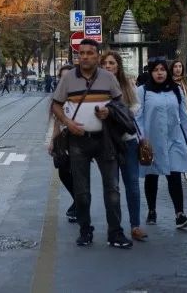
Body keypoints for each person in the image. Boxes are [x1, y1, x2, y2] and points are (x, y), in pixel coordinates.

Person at [52, 39, 132, 248]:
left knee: (112, 189)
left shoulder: (108, 78)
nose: (85, 56)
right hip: (78, 141)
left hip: (105, 140)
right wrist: (68, 123)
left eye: (89, 53)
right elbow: (56, 105)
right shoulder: (68, 78)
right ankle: (85, 230)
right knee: (82, 191)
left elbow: (119, 104)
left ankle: (115, 232)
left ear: (97, 56)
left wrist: (109, 111)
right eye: (81, 53)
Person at [136, 57, 187, 229]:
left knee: (175, 175)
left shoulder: (175, 90)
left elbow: (184, 116)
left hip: (173, 139)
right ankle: (151, 210)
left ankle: (180, 214)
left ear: (167, 72)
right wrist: (142, 139)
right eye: (156, 70)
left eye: (162, 70)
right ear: (151, 72)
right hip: (151, 141)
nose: (159, 73)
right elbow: (138, 118)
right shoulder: (143, 91)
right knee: (152, 176)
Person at [101, 51, 147, 242]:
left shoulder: (127, 84)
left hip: (128, 141)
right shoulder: (97, 86)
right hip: (107, 142)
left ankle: (135, 225)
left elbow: (137, 108)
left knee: (133, 185)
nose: (108, 66)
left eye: (111, 63)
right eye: (104, 63)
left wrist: (116, 113)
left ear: (118, 66)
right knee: (112, 188)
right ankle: (115, 228)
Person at [47, 64, 76, 222]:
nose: (64, 80)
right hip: (63, 141)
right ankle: (78, 201)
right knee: (63, 172)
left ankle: (79, 205)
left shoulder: (80, 95)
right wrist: (53, 141)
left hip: (78, 139)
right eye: (62, 77)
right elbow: (57, 122)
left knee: (77, 173)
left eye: (68, 76)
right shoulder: (58, 97)